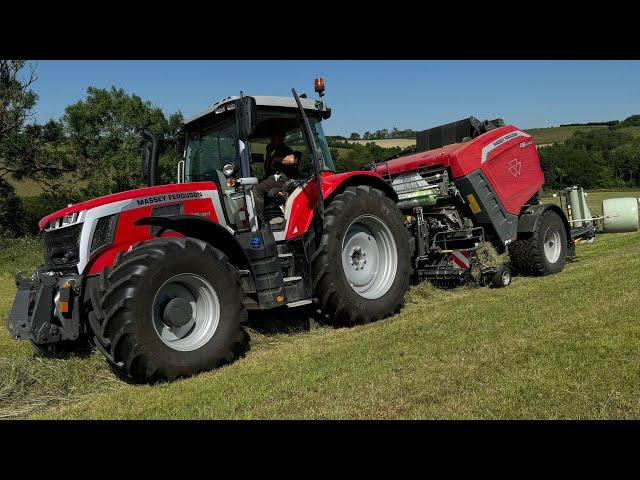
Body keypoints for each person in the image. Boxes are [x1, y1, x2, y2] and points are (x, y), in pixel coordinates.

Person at [253, 132, 300, 223]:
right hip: (271, 178)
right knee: (250, 185)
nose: (272, 140)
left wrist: (277, 159)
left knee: (257, 189)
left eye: (275, 137)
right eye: (272, 138)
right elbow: (267, 170)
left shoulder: (286, 149)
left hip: (282, 179)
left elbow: (291, 160)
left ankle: (260, 222)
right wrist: (268, 155)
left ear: (281, 138)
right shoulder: (272, 151)